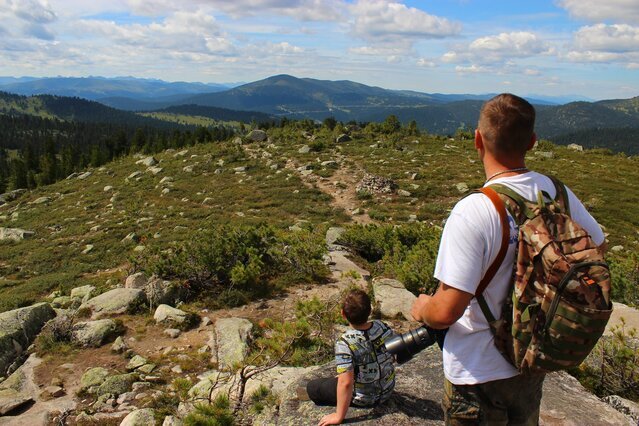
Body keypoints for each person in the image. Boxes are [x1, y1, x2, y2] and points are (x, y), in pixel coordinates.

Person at [410, 93, 606, 425]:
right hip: (531, 359)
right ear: (532, 141)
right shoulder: (556, 192)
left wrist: (421, 307)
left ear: (477, 140)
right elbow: (596, 248)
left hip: (476, 372)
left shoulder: (475, 210)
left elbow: (446, 311)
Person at [305, 289, 397, 426]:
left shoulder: (345, 342)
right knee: (337, 379)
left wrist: (338, 416)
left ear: (343, 314)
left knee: (312, 387)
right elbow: (394, 352)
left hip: (364, 398)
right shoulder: (381, 326)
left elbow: (346, 383)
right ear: (370, 310)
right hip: (387, 390)